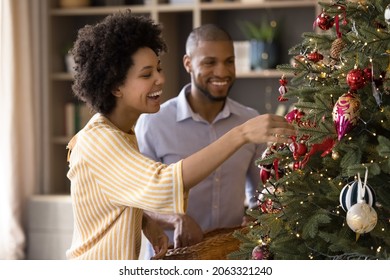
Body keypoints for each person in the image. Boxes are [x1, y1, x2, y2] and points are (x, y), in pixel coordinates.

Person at [66, 10, 295, 260]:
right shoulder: (100, 140)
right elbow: (162, 184)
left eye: (158, 69)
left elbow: (122, 195)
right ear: (115, 86)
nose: (160, 79)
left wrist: (145, 222)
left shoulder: (122, 133)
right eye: (146, 74)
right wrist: (240, 134)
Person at [135, 24, 265, 259]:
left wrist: (255, 219)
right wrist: (175, 219)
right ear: (188, 63)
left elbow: (262, 194)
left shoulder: (249, 121)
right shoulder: (154, 123)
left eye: (229, 61)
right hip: (171, 258)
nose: (222, 71)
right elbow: (137, 202)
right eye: (209, 62)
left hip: (231, 257)